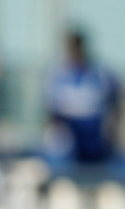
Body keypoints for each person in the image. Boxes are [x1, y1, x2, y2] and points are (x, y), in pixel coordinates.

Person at [46, 30, 120, 164]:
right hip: (68, 138)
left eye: (77, 47)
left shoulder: (100, 74)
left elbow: (116, 105)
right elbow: (51, 111)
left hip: (94, 136)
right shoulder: (58, 74)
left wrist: (113, 134)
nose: (75, 52)